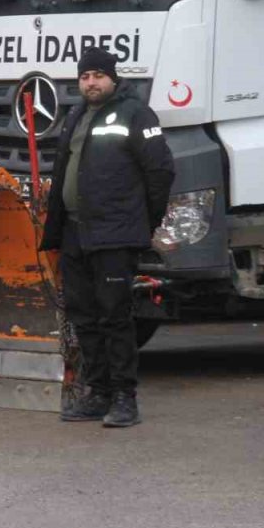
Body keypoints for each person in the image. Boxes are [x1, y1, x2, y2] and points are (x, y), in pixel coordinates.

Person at [40, 47, 175, 428]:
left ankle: (124, 398)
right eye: (85, 77)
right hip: (75, 232)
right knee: (84, 315)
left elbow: (160, 171)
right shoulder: (76, 116)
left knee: (115, 315)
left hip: (114, 233)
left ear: (113, 78)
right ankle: (96, 392)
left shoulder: (136, 114)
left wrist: (143, 222)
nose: (91, 82)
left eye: (98, 75)